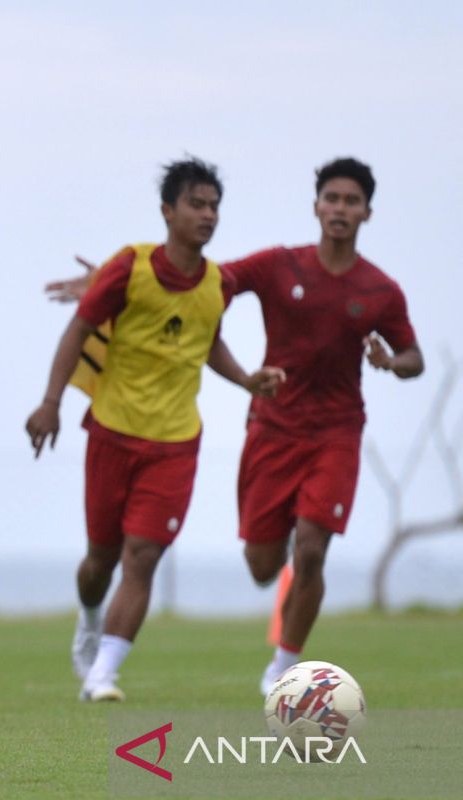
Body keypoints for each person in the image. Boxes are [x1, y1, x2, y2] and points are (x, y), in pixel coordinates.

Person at [46, 157, 424, 696]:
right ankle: (98, 628)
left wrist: (392, 362)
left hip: (337, 432)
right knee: (260, 565)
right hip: (271, 430)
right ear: (316, 206)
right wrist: (108, 281)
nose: (341, 209)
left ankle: (280, 671)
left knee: (312, 548)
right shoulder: (277, 266)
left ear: (367, 212)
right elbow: (198, 280)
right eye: (332, 199)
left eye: (352, 201)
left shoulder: (380, 289)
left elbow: (415, 358)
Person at [24, 158, 283, 702]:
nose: (208, 215)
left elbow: (206, 337)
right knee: (101, 560)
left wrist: (245, 380)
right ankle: (90, 620)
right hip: (113, 433)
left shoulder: (217, 282)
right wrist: (51, 403)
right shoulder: (130, 268)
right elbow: (80, 329)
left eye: (214, 206)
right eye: (196, 203)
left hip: (175, 442)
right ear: (168, 211)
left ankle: (103, 676)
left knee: (143, 557)